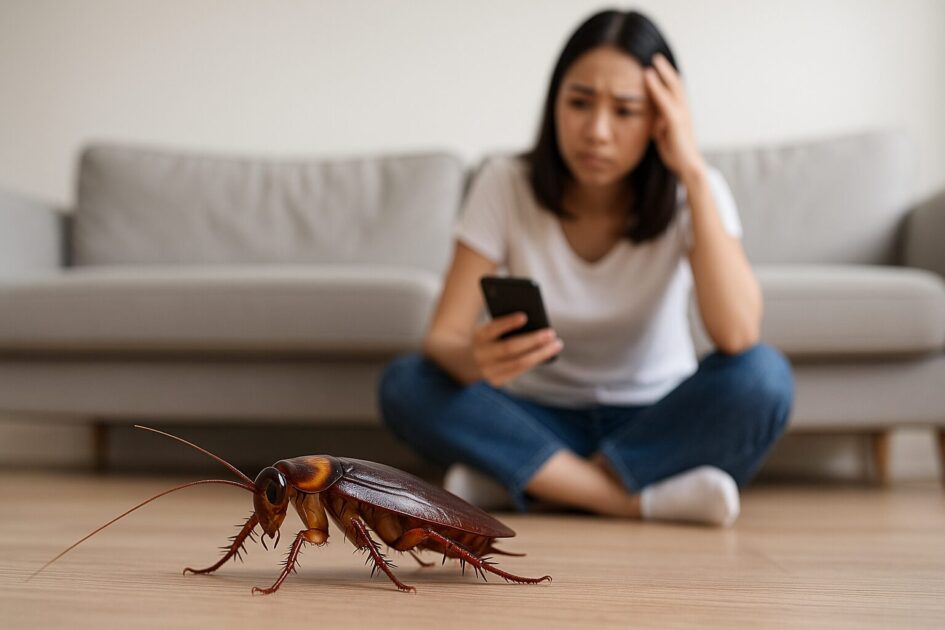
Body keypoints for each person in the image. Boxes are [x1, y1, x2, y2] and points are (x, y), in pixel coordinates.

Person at [378, 9, 793, 526]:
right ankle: (630, 498)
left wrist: (690, 170)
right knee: (406, 383)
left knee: (763, 378)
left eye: (625, 111)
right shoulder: (505, 182)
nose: (597, 131)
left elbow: (737, 333)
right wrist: (476, 359)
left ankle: (536, 483)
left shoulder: (696, 190)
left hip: (656, 420)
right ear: (554, 103)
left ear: (661, 118)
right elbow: (443, 338)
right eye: (579, 102)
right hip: (537, 418)